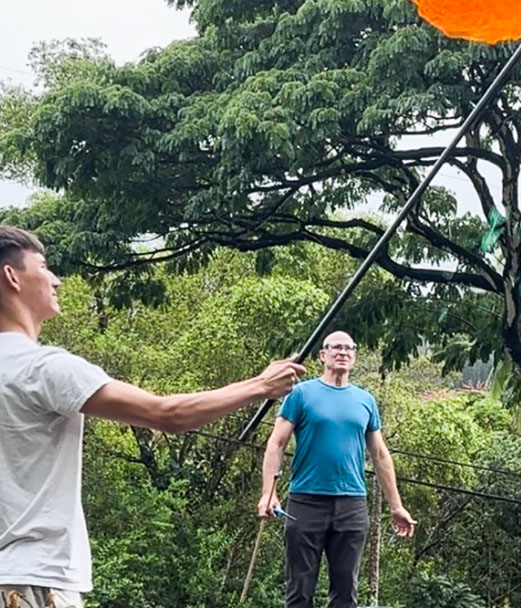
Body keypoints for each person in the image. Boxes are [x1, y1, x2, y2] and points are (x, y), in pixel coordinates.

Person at [0, 225, 306, 608]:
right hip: (32, 579)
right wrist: (261, 384)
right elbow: (167, 415)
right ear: (11, 276)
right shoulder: (42, 368)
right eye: (43, 267)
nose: (55, 279)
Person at [259, 330, 415, 608]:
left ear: (354, 357)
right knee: (299, 589)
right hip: (305, 502)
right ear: (323, 355)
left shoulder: (365, 400)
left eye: (349, 348)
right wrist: (268, 493)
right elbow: (276, 443)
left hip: (352, 505)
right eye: (336, 347)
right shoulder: (300, 394)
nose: (343, 352)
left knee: (345, 593)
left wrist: (397, 506)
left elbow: (379, 454)